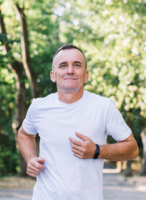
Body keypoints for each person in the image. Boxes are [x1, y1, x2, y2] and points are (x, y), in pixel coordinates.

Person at [18, 44, 139, 200]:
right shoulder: (38, 106)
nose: (70, 70)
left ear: (86, 74)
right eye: (63, 66)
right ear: (53, 75)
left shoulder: (103, 106)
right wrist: (31, 159)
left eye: (77, 65)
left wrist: (96, 150)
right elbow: (24, 134)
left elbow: (133, 149)